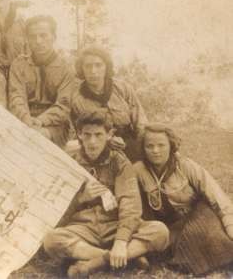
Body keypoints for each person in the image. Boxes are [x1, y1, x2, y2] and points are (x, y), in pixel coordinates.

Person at [43, 111, 169, 277]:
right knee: (51, 240)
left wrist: (121, 240)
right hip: (83, 228)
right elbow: (55, 208)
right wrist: (80, 199)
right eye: (86, 135)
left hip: (114, 225)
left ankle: (96, 263)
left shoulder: (120, 162)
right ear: (79, 134)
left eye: (98, 135)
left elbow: (130, 205)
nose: (92, 142)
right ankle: (125, 258)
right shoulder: (69, 161)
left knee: (160, 231)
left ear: (109, 135)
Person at [134, 123, 233, 275]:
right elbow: (128, 201)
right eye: (150, 146)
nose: (155, 151)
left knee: (211, 238)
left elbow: (216, 196)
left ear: (171, 146)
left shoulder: (185, 166)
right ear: (143, 148)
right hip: (168, 224)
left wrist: (230, 224)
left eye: (161, 145)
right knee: (162, 244)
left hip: (198, 216)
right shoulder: (138, 170)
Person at [70, 46, 147, 161]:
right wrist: (106, 140)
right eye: (88, 66)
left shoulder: (122, 88)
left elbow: (141, 123)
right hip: (97, 148)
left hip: (130, 144)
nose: (93, 71)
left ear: (106, 67)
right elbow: (77, 134)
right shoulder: (76, 98)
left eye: (98, 65)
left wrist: (143, 145)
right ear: (81, 69)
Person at [9, 15, 75, 148]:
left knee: (40, 139)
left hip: (54, 124)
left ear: (54, 37)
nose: (38, 41)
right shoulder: (19, 64)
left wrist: (40, 121)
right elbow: (16, 97)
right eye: (33, 37)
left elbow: (63, 105)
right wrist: (26, 120)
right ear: (27, 40)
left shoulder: (66, 67)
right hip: (24, 120)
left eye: (43, 35)